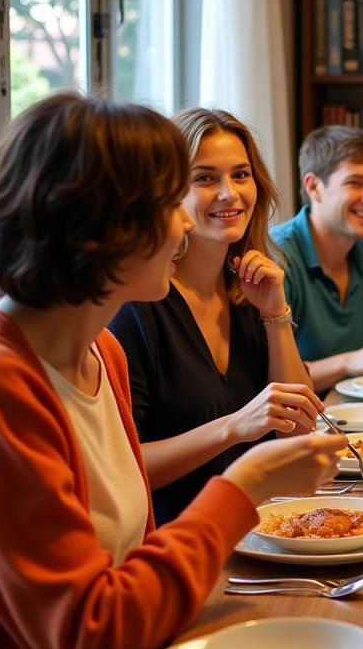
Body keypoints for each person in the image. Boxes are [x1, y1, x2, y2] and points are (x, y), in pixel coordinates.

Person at [0, 94, 346, 649]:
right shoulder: (3, 383)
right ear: (100, 226)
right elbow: (91, 642)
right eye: (168, 199)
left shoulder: (101, 357)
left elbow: (135, 562)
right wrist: (240, 488)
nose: (186, 217)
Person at [110, 108, 323, 524]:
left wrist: (275, 314)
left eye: (241, 175)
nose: (230, 193)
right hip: (175, 543)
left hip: (260, 531)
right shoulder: (136, 307)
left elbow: (297, 430)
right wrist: (234, 426)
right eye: (205, 178)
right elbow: (124, 470)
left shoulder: (249, 291)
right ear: (169, 194)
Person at [271, 125, 363, 391]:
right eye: (355, 183)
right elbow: (271, 379)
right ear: (314, 187)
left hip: (355, 415)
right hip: (299, 426)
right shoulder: (277, 256)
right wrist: (350, 362)